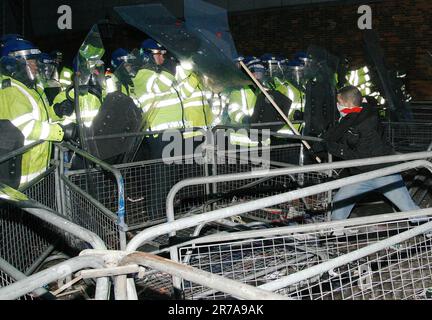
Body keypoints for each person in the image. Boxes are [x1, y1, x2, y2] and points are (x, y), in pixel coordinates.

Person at [312, 85, 420, 221]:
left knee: (410, 210)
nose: (337, 106)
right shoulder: (356, 115)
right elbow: (338, 132)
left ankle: (428, 229)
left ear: (348, 104)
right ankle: (335, 232)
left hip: (383, 173)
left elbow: (361, 156)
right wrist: (323, 143)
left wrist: (332, 148)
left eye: (339, 103)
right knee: (339, 206)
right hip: (362, 175)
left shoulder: (364, 122)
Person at [0, 38, 76, 187]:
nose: (35, 66)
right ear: (14, 63)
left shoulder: (30, 88)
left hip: (35, 172)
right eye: (31, 62)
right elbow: (26, 127)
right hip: (20, 180)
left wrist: (57, 111)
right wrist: (61, 131)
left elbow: (40, 115)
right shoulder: (10, 90)